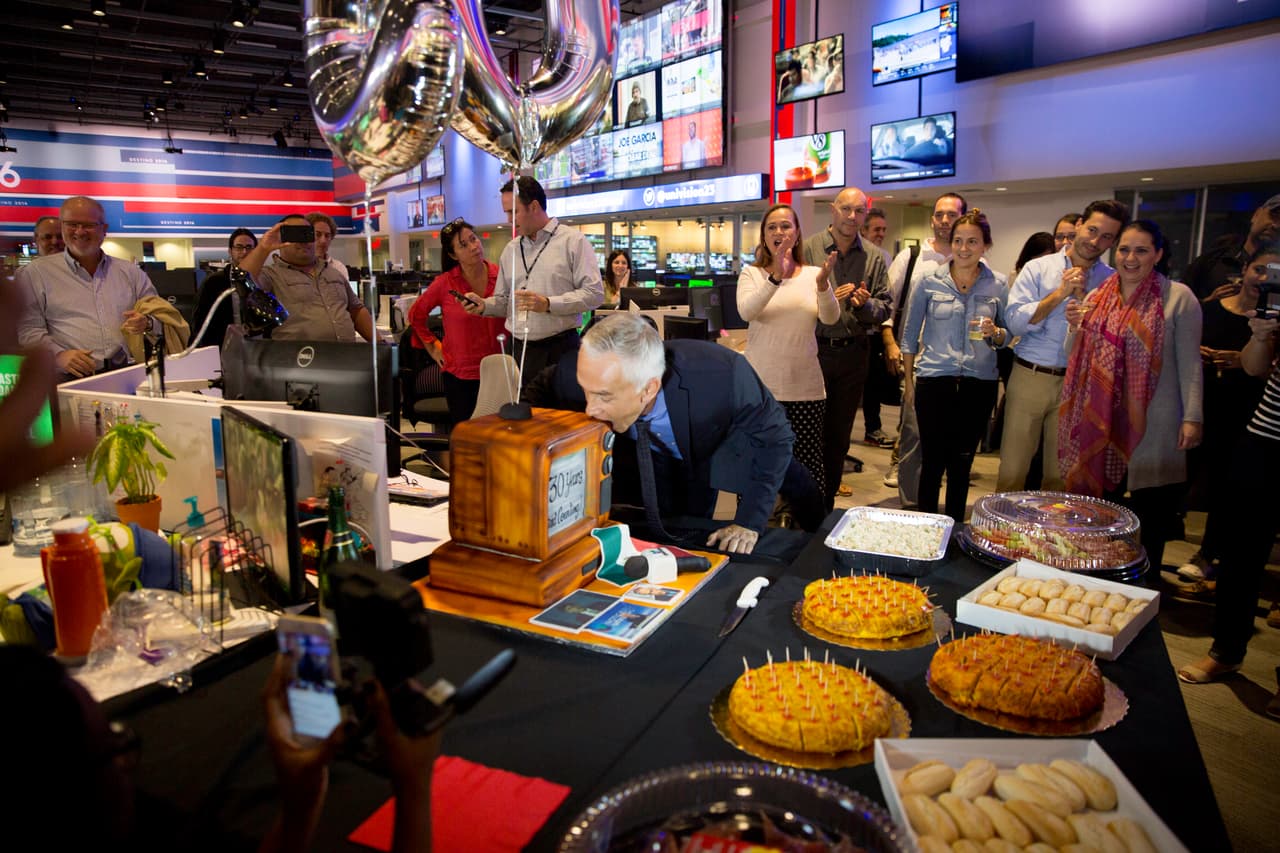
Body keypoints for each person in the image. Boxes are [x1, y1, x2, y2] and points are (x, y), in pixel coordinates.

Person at [523, 313, 825, 553]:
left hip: (727, 441)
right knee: (684, 526)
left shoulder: (722, 374)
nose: (591, 409)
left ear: (648, 388)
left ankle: (822, 533)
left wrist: (749, 522)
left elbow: (775, 439)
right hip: (656, 453)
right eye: (586, 391)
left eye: (603, 396)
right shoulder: (576, 374)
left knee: (795, 483)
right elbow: (538, 393)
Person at [1059, 220, 1203, 567]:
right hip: (1101, 419)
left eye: (1141, 250)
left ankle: (1146, 585)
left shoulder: (1178, 298)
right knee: (1104, 511)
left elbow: (1190, 363)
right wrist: (1074, 326)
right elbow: (1073, 354)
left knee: (1151, 513)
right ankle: (1103, 573)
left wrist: (1192, 417)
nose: (1130, 258)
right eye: (1124, 249)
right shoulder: (1098, 295)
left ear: (1158, 254)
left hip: (1155, 420)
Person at [1175, 308, 1280, 719]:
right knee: (1240, 554)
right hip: (1264, 438)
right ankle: (1226, 652)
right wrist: (1260, 335)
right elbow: (1255, 369)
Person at [998, 199, 1129, 492]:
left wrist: (1084, 305)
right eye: (1092, 230)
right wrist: (1060, 293)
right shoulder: (1038, 268)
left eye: (1107, 236)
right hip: (1031, 375)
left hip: (1078, 382)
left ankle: (1052, 537)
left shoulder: (1110, 281)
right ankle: (1003, 535)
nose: (1096, 241)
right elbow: (1016, 323)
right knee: (1013, 469)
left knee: (1061, 474)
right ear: (1079, 225)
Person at [900, 209, 1009, 523]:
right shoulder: (928, 281)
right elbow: (909, 336)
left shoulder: (998, 284)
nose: (963, 248)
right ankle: (926, 527)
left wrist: (997, 333)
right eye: (958, 241)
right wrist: (909, 383)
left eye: (972, 241)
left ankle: (956, 529)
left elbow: (1007, 335)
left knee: (963, 462)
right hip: (935, 380)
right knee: (932, 461)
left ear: (985, 245)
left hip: (979, 382)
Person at [1179, 242, 1278, 582]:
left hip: (1249, 412)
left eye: (1274, 274)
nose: (1263, 279)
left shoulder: (1273, 321)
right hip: (1202, 402)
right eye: (1259, 270)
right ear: (1246, 269)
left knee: (1226, 486)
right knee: (1184, 477)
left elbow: (1264, 370)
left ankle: (1209, 553)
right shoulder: (1210, 309)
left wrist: (1241, 359)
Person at [738, 203, 840, 502]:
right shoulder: (752, 274)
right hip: (761, 389)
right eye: (772, 227)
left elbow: (830, 318)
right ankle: (753, 531)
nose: (779, 232)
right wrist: (775, 277)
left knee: (807, 468)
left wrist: (823, 285)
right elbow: (747, 311)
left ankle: (806, 534)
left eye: (786, 226)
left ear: (797, 234)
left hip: (805, 388)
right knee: (757, 464)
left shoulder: (812, 274)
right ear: (764, 235)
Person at [460, 176, 603, 383]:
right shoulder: (511, 250)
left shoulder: (573, 242)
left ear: (534, 206)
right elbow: (503, 302)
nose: (509, 219)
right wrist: (483, 305)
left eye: (513, 211)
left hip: (558, 349)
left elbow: (594, 294)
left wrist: (548, 304)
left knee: (557, 415)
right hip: (517, 349)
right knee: (515, 413)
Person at [801, 187, 890, 511]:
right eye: (846, 209)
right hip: (813, 351)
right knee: (807, 433)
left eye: (859, 211)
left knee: (838, 438)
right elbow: (792, 301)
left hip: (854, 354)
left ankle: (825, 507)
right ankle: (801, 506)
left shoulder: (875, 257)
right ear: (832, 210)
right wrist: (826, 299)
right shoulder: (808, 249)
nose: (853, 217)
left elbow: (886, 308)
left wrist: (864, 306)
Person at [882, 192, 968, 496]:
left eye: (952, 215)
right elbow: (887, 305)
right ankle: (910, 501)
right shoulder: (913, 256)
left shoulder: (973, 259)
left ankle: (930, 492)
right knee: (913, 430)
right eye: (939, 215)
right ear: (932, 219)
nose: (945, 221)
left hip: (959, 366)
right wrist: (890, 341)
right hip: (916, 360)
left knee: (947, 434)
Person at [18, 195, 158, 380]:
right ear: (62, 226)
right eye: (72, 224)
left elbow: (161, 317)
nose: (80, 231)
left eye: (88, 225)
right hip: (67, 379)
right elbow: (28, 330)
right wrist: (58, 356)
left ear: (104, 229)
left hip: (126, 374)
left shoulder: (131, 273)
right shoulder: (35, 273)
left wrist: (147, 322)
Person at [406, 218, 506, 422]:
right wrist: (433, 345)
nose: (473, 247)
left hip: (500, 371)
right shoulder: (445, 283)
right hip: (462, 376)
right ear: (453, 255)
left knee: (499, 439)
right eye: (463, 245)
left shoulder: (502, 275)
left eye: (473, 239)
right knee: (468, 441)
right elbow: (416, 315)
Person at [239, 214, 374, 342]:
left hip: (346, 358)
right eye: (295, 234)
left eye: (307, 233)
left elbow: (356, 310)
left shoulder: (333, 272)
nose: (303, 241)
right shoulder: (270, 275)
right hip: (299, 361)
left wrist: (381, 344)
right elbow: (241, 279)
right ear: (283, 239)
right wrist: (264, 247)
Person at [1185, 194, 1280, 301]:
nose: (1276, 225)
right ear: (1256, 215)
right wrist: (1210, 304)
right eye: (1274, 215)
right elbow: (1178, 305)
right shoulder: (1212, 261)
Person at [191, 227, 257, 348]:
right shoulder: (214, 281)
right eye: (239, 247)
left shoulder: (263, 279)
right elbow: (200, 320)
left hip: (257, 347)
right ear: (230, 251)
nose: (244, 252)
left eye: (249, 247)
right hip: (225, 347)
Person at [306, 212, 348, 282]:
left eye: (327, 236)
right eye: (318, 235)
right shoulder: (294, 267)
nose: (323, 241)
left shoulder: (338, 267)